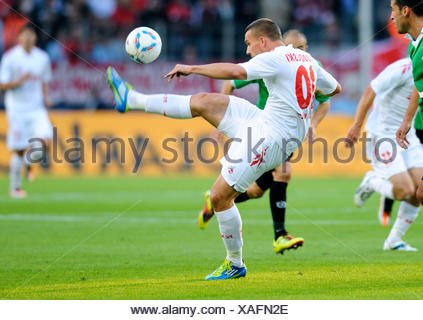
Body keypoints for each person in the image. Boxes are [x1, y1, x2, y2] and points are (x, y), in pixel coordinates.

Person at [106, 18, 341, 280]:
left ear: (263, 40)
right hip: (266, 121)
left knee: (219, 197)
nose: (248, 51)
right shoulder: (304, 59)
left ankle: (235, 264)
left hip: (271, 136)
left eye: (249, 44)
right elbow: (336, 88)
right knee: (205, 102)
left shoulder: (275, 57)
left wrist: (192, 68)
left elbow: (236, 72)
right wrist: (301, 99)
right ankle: (131, 99)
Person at [197, 29, 332, 255]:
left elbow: (325, 100)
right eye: (295, 48)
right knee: (284, 173)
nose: (299, 53)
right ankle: (280, 236)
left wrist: (313, 124)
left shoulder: (309, 65)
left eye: (303, 49)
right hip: (263, 131)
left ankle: (214, 200)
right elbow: (231, 82)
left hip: (287, 135)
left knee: (257, 191)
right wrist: (222, 121)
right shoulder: (274, 61)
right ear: (283, 47)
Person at [346, 57, 422, 251]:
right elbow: (371, 90)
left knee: (420, 191)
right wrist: (357, 124)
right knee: (405, 191)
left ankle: (394, 240)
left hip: (408, 136)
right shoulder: (404, 68)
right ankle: (372, 181)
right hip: (382, 136)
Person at [0, 23, 53, 198]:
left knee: (46, 141)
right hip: (17, 109)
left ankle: (28, 165)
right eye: (24, 34)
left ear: (35, 38)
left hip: (36, 108)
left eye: (31, 34)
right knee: (19, 149)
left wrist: (46, 97)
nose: (27, 38)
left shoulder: (42, 58)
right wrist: (19, 81)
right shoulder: (10, 58)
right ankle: (15, 188)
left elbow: (44, 81)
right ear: (19, 37)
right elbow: (3, 85)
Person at [393, 0, 423, 205]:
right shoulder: (415, 45)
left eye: (392, 10)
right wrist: (408, 119)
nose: (391, 17)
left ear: (405, 11)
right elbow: (418, 85)